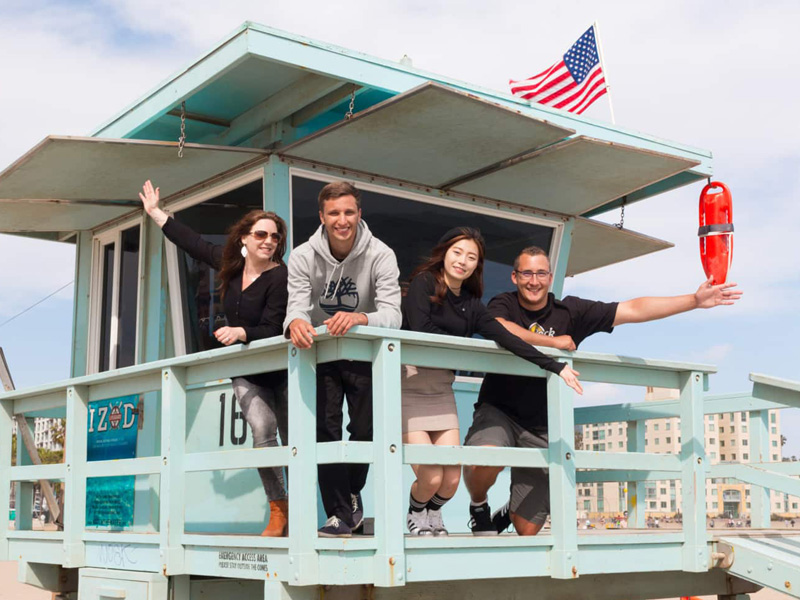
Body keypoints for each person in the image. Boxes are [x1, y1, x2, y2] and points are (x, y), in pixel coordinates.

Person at [464, 245, 742, 536]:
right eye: (527, 273)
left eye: (541, 273)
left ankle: (511, 510)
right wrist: (555, 343)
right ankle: (479, 506)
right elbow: (499, 328)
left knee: (527, 529)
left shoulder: (570, 311)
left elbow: (633, 309)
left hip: (543, 421)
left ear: (550, 276)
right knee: (484, 458)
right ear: (514, 277)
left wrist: (694, 301)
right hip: (499, 410)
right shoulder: (503, 303)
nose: (534, 281)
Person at [138, 180, 290, 537]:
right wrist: (157, 214)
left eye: (275, 237)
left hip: (283, 370)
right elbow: (193, 243)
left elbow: (275, 326)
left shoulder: (280, 277)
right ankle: (279, 509)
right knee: (262, 432)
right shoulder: (231, 268)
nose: (269, 241)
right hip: (246, 371)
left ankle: (300, 509)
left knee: (294, 439)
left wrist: (241, 333)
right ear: (245, 239)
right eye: (262, 235)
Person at [400, 228, 575, 537]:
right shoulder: (423, 284)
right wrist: (461, 345)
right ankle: (416, 514)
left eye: (471, 257)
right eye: (457, 253)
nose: (462, 261)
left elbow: (507, 338)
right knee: (430, 474)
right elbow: (420, 327)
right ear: (445, 253)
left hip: (441, 389)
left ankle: (434, 514)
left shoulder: (471, 304)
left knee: (451, 479)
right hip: (410, 386)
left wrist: (554, 366)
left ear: (476, 266)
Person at [284, 180, 402, 538]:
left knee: (365, 429)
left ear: (359, 214)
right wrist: (296, 322)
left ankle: (351, 493)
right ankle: (338, 512)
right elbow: (295, 307)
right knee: (325, 430)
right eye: (334, 213)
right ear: (322, 216)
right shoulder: (304, 255)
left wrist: (361, 318)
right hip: (320, 354)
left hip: (364, 353)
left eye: (349, 212)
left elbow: (393, 314)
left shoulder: (381, 253)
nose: (342, 220)